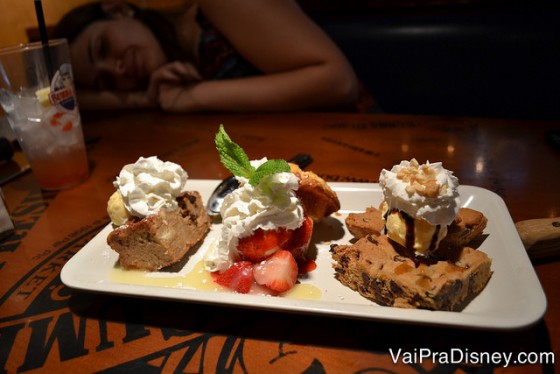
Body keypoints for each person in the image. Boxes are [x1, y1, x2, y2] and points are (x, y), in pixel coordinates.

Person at [53, 0, 367, 113]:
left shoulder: (217, 5)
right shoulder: (166, 72)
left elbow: (338, 82)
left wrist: (195, 96)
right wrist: (143, 100)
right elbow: (70, 102)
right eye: (107, 80)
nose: (117, 68)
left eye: (104, 48)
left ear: (119, 8)